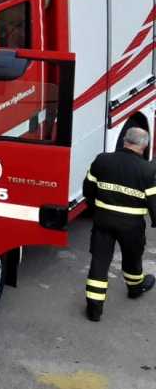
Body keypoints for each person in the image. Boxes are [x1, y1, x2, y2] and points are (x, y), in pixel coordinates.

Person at [83, 126, 156, 321]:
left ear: (125, 140)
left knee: (99, 262)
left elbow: (88, 189)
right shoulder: (147, 170)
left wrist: (97, 208)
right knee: (132, 260)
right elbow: (153, 202)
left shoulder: (102, 160)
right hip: (131, 227)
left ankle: (94, 310)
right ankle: (135, 289)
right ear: (144, 146)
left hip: (103, 221)